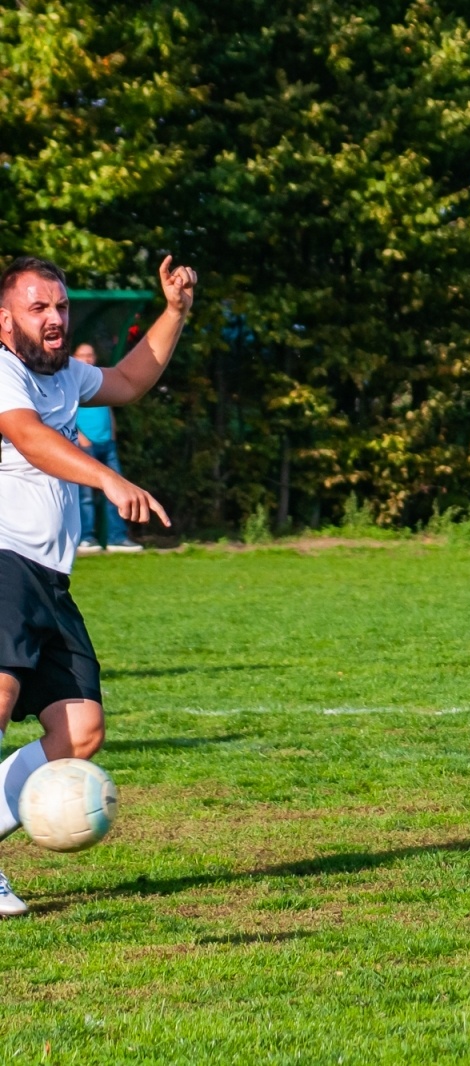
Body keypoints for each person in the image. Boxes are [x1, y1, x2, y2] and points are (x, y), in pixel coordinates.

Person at [0, 254, 193, 915]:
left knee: (81, 732)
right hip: (2, 562)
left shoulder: (64, 376)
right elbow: (25, 437)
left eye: (60, 307)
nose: (55, 319)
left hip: (48, 580)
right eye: (38, 308)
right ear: (5, 321)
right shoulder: (3, 372)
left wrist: (174, 313)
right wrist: (106, 477)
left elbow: (131, 379)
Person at [70, 344, 143, 553]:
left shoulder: (98, 380)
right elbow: (65, 413)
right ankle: (85, 539)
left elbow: (108, 408)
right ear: (74, 357)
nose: (87, 359)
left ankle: (116, 538)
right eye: (82, 355)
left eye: (90, 355)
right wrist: (81, 438)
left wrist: (112, 433)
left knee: (117, 492)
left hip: (107, 444)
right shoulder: (72, 380)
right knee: (85, 496)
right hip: (85, 447)